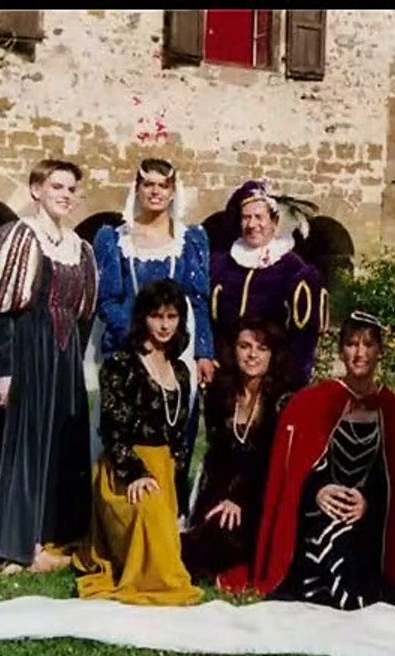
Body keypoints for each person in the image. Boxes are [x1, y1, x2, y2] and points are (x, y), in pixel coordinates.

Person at [219, 311, 395, 610]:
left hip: (374, 516)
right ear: (341, 349)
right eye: (351, 344)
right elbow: (293, 474)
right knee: (330, 533)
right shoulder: (312, 403)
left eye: (368, 345)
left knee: (350, 538)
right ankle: (332, 594)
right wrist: (318, 492)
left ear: (380, 352)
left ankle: (346, 593)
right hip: (316, 510)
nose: (359, 353)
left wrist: (366, 504)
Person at [0, 158, 98, 576]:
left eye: (71, 189)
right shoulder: (18, 237)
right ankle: (13, 547)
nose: (65, 195)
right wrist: (5, 369)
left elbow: (84, 315)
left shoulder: (79, 247)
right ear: (36, 189)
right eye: (57, 186)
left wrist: (74, 366)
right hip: (26, 352)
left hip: (64, 355)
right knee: (22, 445)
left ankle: (50, 536)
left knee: (59, 444)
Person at [90, 158, 215, 516]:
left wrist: (204, 351)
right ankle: (121, 508)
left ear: (173, 190)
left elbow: (200, 298)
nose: (156, 191)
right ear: (138, 189)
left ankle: (170, 509)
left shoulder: (191, 239)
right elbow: (107, 299)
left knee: (177, 426)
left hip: (180, 346)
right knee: (125, 425)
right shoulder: (114, 239)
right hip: (129, 346)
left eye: (163, 185)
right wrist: (137, 339)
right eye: (149, 185)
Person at [73, 279, 203, 606]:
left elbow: (179, 440)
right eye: (156, 316)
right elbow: (112, 429)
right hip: (123, 471)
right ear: (143, 318)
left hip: (165, 472)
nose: (164, 325)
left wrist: (176, 485)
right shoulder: (121, 365)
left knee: (171, 532)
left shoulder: (182, 373)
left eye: (172, 317)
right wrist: (135, 473)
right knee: (147, 516)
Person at [180, 316, 295, 582]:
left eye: (261, 348)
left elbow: (276, 464)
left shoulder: (283, 400)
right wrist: (216, 501)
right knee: (198, 534)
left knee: (211, 543)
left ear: (272, 355)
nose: (252, 355)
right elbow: (216, 456)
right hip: (222, 493)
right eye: (245, 346)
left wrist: (240, 501)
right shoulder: (221, 393)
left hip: (261, 499)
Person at [209, 180, 326, 387]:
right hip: (227, 375)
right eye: (246, 218)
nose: (252, 225)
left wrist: (294, 380)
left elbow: (304, 337)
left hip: (273, 379)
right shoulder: (222, 265)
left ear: (274, 221)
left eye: (259, 217)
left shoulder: (293, 269)